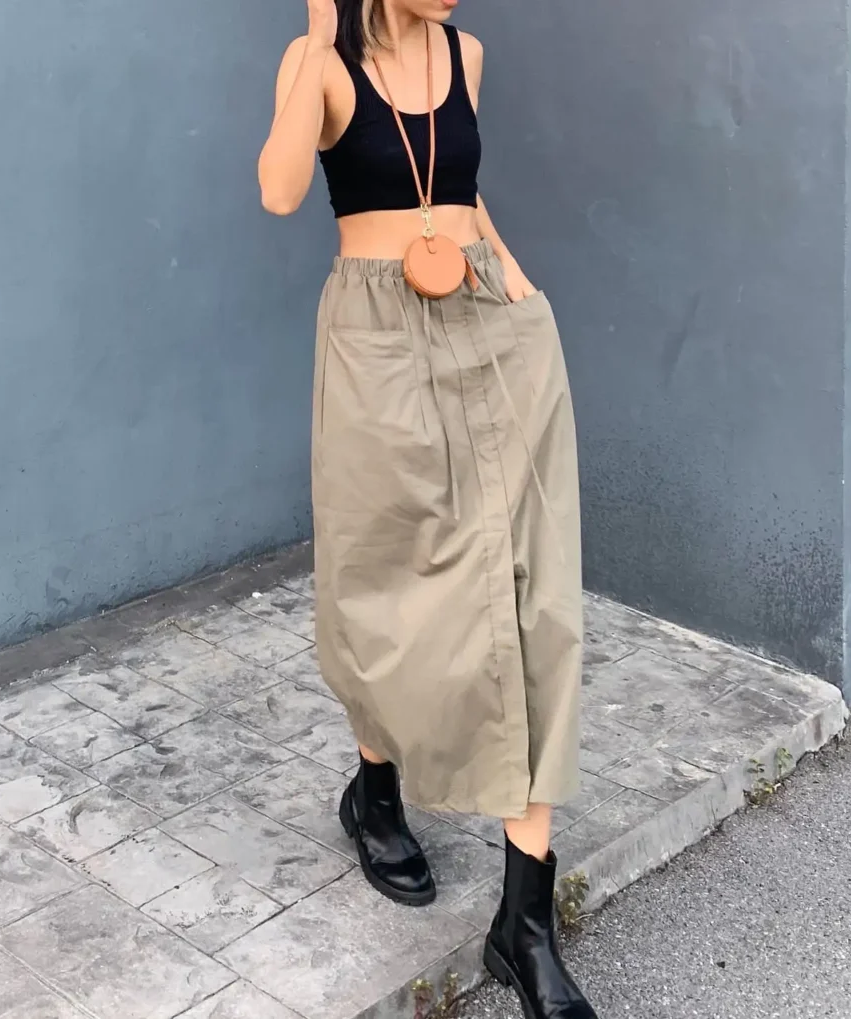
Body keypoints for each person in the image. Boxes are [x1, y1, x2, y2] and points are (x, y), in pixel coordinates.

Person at [258, 1, 595, 1016]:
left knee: (534, 597)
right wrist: (314, 40)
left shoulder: (466, 52)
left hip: (491, 321)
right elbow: (279, 191)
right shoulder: (316, 62)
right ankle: (375, 786)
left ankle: (523, 924)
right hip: (375, 336)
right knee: (385, 580)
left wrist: (514, 267)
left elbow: (453, 185)